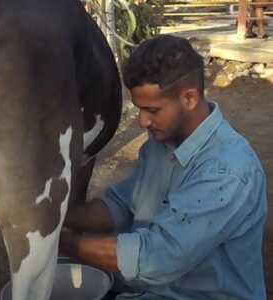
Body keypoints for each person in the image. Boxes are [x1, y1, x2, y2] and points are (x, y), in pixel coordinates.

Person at [59, 34, 267, 299]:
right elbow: (122, 205)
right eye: (138, 109)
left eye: (152, 110)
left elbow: (156, 258)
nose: (143, 121)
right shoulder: (162, 143)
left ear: (189, 98)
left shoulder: (228, 171)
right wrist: (50, 217)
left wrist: (58, 242)